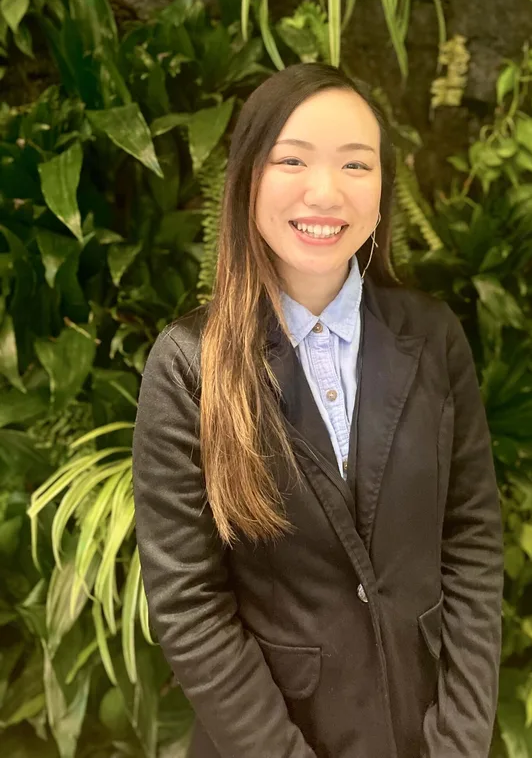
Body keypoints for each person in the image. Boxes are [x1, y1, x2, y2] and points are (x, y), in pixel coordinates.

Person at [132, 62, 504, 758]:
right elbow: (189, 610)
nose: (326, 191)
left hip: (423, 731)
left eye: (356, 164)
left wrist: (459, 740)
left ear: (384, 188)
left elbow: (472, 544)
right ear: (247, 179)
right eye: (292, 160)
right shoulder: (190, 366)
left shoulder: (431, 337)